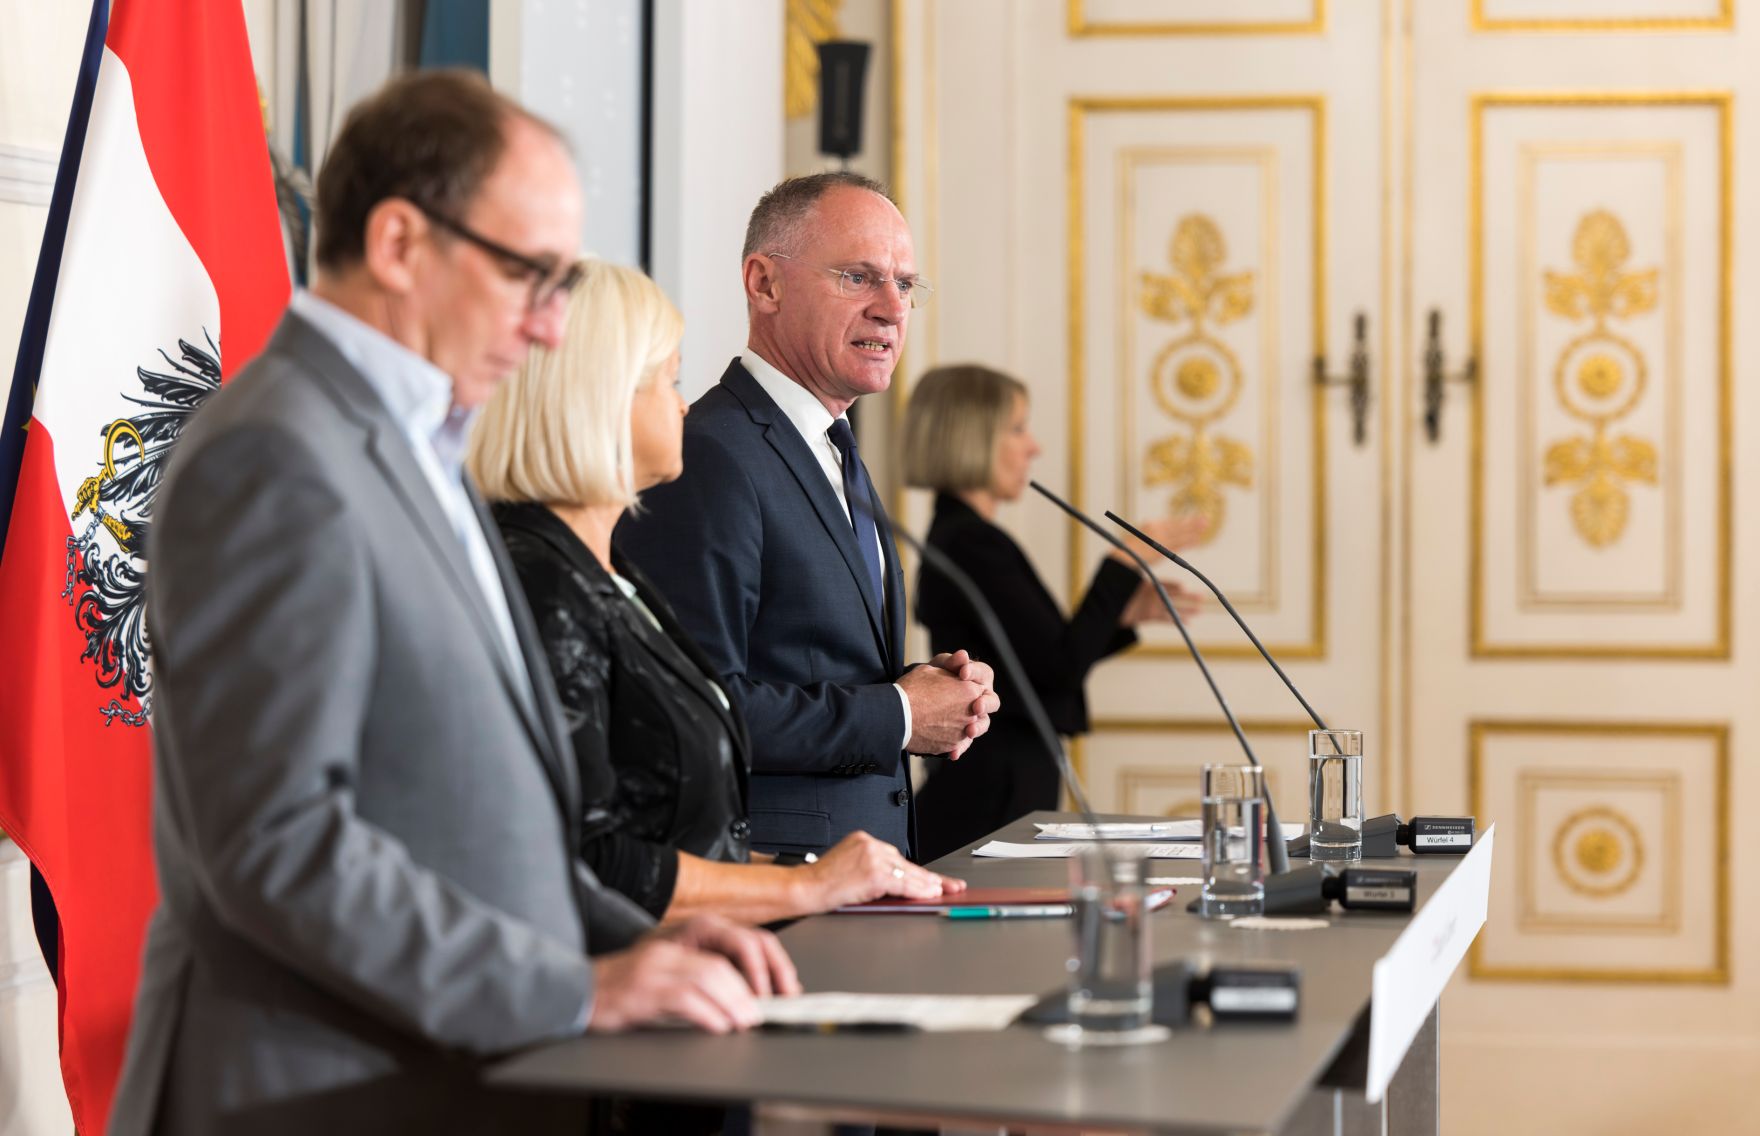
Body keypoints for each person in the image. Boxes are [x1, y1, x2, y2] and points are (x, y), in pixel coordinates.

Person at [109, 72, 796, 1136]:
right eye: (531, 275)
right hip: (321, 1088)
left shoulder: (421, 442)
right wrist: (574, 988)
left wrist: (629, 941)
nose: (549, 327)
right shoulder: (276, 454)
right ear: (397, 245)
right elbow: (279, 842)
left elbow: (478, 816)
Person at [469, 258, 962, 925]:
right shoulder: (547, 578)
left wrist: (827, 875)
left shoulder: (615, 578)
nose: (681, 403)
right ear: (595, 397)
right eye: (664, 380)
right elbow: (590, 852)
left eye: (905, 285)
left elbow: (681, 820)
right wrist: (802, 888)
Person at [618, 173, 999, 861]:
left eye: (906, 285)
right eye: (860, 277)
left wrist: (929, 690)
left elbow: (803, 659)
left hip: (864, 871)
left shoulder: (834, 447)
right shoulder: (710, 452)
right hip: (775, 884)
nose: (892, 308)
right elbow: (700, 708)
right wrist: (902, 713)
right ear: (765, 284)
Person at [900, 364, 1205, 861]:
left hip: (1007, 777)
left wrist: (1119, 615)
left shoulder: (967, 538)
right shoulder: (971, 544)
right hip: (992, 790)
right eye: (1018, 428)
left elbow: (1040, 660)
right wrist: (1123, 561)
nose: (1033, 447)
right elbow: (1057, 667)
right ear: (973, 436)